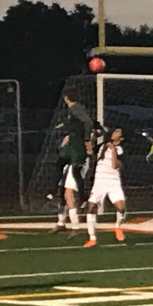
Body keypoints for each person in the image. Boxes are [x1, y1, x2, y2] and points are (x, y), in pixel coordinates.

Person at [51, 89, 93, 237]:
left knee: (68, 193)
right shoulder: (74, 118)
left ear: (66, 98)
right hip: (71, 157)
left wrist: (87, 141)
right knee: (61, 191)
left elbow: (87, 124)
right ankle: (61, 222)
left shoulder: (78, 112)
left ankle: (75, 225)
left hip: (78, 158)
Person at [84, 127, 127, 248]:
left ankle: (117, 227)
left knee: (121, 208)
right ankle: (92, 238)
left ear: (121, 138)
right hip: (99, 182)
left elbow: (115, 165)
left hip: (113, 182)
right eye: (114, 131)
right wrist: (92, 136)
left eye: (118, 132)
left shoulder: (121, 150)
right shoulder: (103, 146)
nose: (114, 133)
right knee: (91, 207)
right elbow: (90, 150)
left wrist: (113, 150)